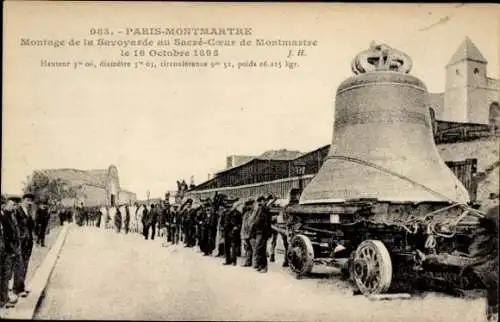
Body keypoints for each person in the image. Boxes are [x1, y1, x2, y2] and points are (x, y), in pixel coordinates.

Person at [469, 204, 499, 322]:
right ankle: (493, 314)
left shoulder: (493, 211)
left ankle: (492, 313)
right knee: (494, 282)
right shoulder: (493, 211)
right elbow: (482, 235)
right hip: (490, 253)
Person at [13, 193, 35, 298]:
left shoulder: (29, 212)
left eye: (30, 201)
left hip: (28, 242)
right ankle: (18, 289)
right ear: (23, 200)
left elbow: (31, 226)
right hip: (21, 242)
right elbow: (15, 226)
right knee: (20, 265)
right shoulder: (17, 211)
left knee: (25, 265)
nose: (29, 202)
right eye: (27, 200)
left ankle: (21, 287)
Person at [253, 196, 272, 273]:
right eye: (259, 202)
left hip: (262, 232)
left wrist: (266, 233)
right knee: (259, 249)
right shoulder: (260, 209)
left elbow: (265, 223)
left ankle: (264, 267)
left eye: (261, 202)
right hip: (259, 232)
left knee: (261, 249)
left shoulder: (264, 210)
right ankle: (261, 265)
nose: (260, 203)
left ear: (263, 201)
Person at [240, 199, 255, 267]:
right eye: (248, 205)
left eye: (250, 205)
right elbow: (244, 225)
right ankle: (248, 262)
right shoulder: (245, 214)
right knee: (247, 248)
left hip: (251, 233)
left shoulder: (254, 213)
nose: (248, 207)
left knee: (253, 248)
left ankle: (254, 263)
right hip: (245, 233)